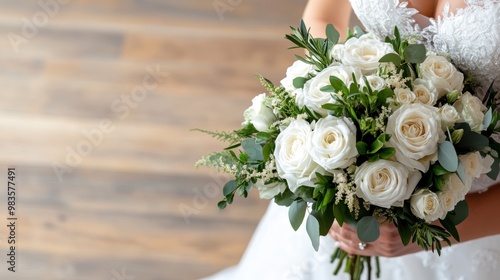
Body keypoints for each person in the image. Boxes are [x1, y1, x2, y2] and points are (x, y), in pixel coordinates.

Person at [201, 0, 500, 279]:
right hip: (344, 198)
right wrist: (336, 123)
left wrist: (433, 232)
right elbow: (323, 17)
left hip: (472, 226)